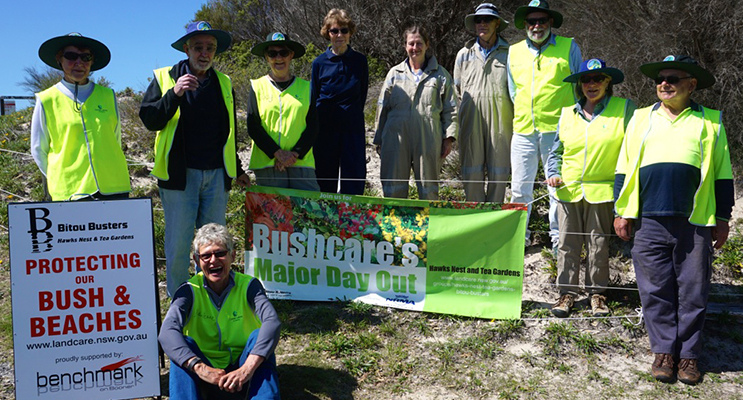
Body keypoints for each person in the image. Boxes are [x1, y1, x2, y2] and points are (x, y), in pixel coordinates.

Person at [614, 55, 733, 385]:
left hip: (695, 221)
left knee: (693, 291)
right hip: (648, 219)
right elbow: (624, 167)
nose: (664, 84)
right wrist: (620, 211)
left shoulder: (710, 122)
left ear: (691, 85)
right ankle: (664, 351)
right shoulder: (639, 119)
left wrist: (722, 217)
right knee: (655, 290)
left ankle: (690, 356)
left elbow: (723, 175)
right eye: (660, 79)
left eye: (673, 79)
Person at [140, 21, 249, 297]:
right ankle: (179, 298)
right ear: (186, 49)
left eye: (209, 48)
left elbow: (229, 132)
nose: (204, 53)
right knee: (178, 243)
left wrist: (236, 169)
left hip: (216, 176)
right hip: (180, 176)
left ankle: (210, 296)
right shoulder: (165, 77)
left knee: (213, 243)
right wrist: (174, 93)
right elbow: (150, 119)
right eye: (198, 47)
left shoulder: (223, 82)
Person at [546, 59, 635, 317]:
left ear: (608, 82)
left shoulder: (624, 109)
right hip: (568, 191)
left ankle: (597, 295)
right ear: (579, 84)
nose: (591, 84)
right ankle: (566, 294)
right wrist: (553, 174)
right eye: (586, 80)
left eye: (598, 79)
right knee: (567, 243)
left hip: (603, 192)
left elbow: (633, 148)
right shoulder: (566, 113)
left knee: (598, 244)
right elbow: (556, 152)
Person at [159, 223, 281, 399]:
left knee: (260, 338)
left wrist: (247, 369)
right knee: (182, 346)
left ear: (232, 255)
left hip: (243, 373)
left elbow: (272, 322)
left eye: (220, 253)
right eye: (206, 256)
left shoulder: (249, 285)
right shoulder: (188, 289)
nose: (213, 260)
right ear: (197, 261)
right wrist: (200, 368)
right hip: (204, 376)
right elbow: (166, 332)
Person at [508, 0, 582, 247]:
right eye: (531, 21)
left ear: (551, 22)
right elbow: (513, 91)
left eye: (542, 20)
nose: (536, 26)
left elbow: (581, 87)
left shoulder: (569, 47)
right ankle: (520, 240)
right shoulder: (514, 51)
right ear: (525, 25)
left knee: (557, 188)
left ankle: (557, 242)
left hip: (558, 131)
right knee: (519, 189)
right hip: (523, 130)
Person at [31, 33, 131, 201]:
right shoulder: (46, 99)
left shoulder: (108, 96)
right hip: (69, 192)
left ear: (92, 62)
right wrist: (59, 178)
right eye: (71, 56)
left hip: (114, 188)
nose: (79, 63)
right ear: (59, 59)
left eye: (86, 57)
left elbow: (115, 139)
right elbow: (38, 149)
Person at [374, 25, 457, 200]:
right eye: (411, 43)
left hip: (428, 138)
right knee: (393, 187)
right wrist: (379, 138)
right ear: (405, 46)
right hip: (396, 138)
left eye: (419, 43)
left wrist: (448, 139)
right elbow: (383, 107)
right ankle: (395, 226)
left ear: (427, 45)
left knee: (428, 188)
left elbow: (451, 109)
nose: (415, 48)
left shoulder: (440, 75)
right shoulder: (394, 74)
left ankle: (429, 226)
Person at [455, 3, 513, 203]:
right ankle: (475, 218)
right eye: (478, 20)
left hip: (502, 121)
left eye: (487, 20)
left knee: (499, 171)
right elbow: (457, 90)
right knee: (471, 170)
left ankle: (494, 220)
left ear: (497, 23)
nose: (482, 24)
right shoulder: (464, 54)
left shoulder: (510, 54)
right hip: (471, 121)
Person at [247, 32, 320, 191]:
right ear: (266, 57)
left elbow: (313, 125)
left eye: (283, 53)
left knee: (310, 213)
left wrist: (294, 154)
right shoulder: (257, 86)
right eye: (272, 54)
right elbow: (253, 126)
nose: (278, 58)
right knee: (272, 215)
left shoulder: (307, 88)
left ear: (291, 55)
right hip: (268, 164)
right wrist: (276, 153)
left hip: (301, 163)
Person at [311, 9, 369, 195]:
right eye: (334, 31)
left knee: (354, 179)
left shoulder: (360, 61)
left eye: (344, 30)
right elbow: (314, 97)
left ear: (350, 32)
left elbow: (362, 94)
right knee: (324, 179)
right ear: (327, 33)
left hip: (353, 130)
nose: (339, 35)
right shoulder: (319, 63)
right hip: (325, 131)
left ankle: (351, 222)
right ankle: (325, 222)